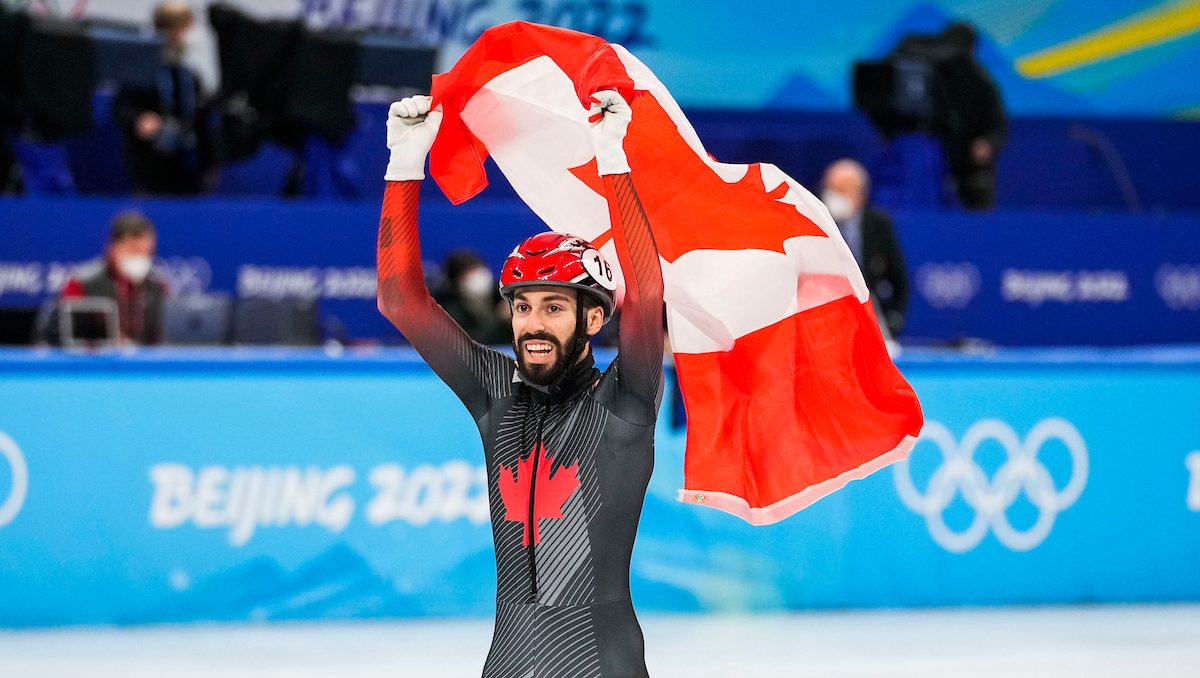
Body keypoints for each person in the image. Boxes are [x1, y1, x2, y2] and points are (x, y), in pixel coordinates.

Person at [376, 91, 663, 677]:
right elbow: (400, 300)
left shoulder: (623, 403)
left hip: (597, 656)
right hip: (509, 656)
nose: (533, 324)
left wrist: (613, 158)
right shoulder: (494, 393)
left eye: (554, 307)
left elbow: (648, 294)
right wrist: (404, 165)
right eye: (522, 306)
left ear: (593, 318)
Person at [114, 1, 212, 195]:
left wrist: (210, 162)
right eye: (174, 29)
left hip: (187, 167)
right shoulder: (140, 72)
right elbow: (121, 108)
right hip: (149, 166)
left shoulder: (190, 76)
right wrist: (140, 120)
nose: (179, 36)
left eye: (183, 29)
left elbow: (202, 118)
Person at [821, 158, 909, 337]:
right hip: (827, 317)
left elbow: (899, 280)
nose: (832, 196)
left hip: (871, 316)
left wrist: (894, 319)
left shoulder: (879, 224)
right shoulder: (817, 223)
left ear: (859, 194)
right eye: (829, 189)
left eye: (840, 190)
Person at [59, 209, 169, 345]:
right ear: (113, 247)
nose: (141, 258)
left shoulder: (157, 285)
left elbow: (163, 336)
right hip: (96, 362)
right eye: (134, 250)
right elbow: (64, 334)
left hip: (142, 363)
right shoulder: (82, 283)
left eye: (147, 252)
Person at [433, 249, 511, 345]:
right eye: (468, 272)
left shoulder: (502, 294)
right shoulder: (450, 311)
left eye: (477, 268)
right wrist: (500, 319)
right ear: (456, 281)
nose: (477, 276)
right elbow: (471, 345)